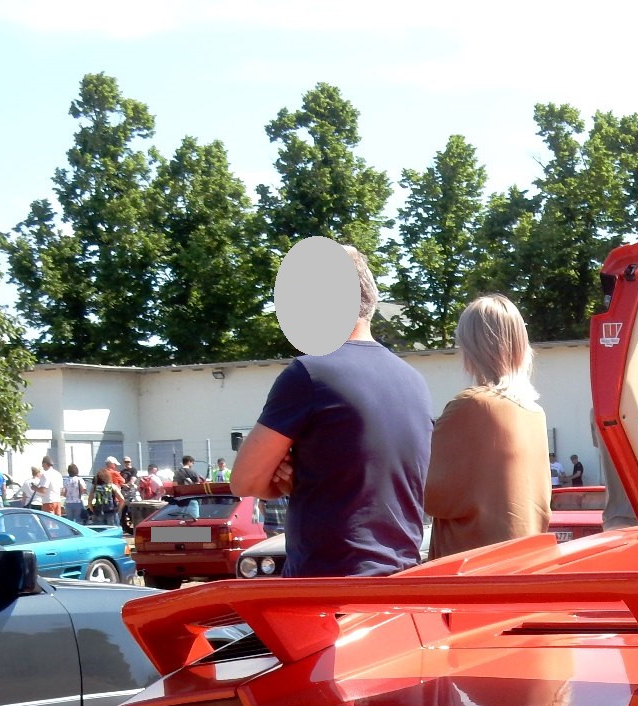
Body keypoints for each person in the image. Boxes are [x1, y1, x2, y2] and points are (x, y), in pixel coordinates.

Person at [232, 244, 431, 576]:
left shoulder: (309, 374)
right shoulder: (414, 381)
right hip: (399, 584)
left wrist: (282, 481)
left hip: (327, 588)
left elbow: (244, 480)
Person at [424, 293, 550, 559]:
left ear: (471, 348)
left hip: (470, 568)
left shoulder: (470, 405)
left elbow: (425, 491)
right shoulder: (534, 411)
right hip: (523, 562)